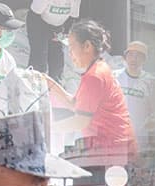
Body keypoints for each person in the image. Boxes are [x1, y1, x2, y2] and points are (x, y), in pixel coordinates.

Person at [45, 19, 137, 161]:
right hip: (116, 148)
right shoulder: (99, 68)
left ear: (87, 46)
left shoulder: (94, 76)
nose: (70, 53)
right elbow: (75, 104)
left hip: (112, 151)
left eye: (71, 47)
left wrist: (48, 128)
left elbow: (80, 121)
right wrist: (50, 84)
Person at [27, 0, 81, 83]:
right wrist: (45, 34)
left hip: (58, 26)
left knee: (57, 61)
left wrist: (64, 33)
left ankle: (55, 85)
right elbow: (34, 16)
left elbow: (72, 18)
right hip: (37, 21)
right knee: (39, 58)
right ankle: (32, 83)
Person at [113, 40, 150, 148]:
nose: (134, 59)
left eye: (138, 56)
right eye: (131, 55)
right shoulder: (114, 76)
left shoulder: (149, 81)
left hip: (139, 139)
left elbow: (154, 108)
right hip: (116, 136)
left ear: (144, 59)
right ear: (126, 57)